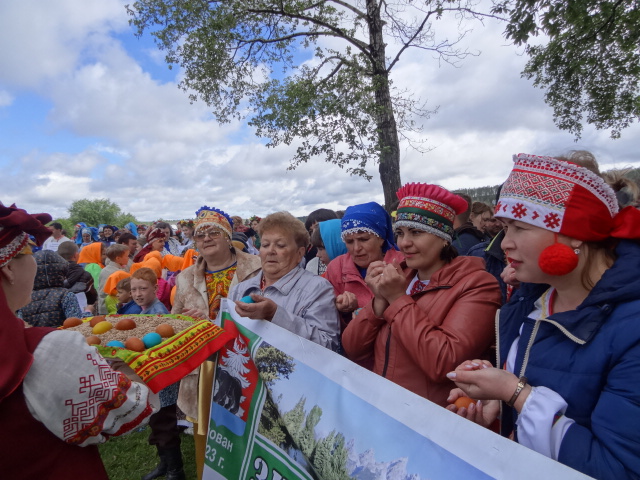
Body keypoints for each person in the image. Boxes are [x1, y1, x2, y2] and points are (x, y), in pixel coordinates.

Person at [447, 152, 640, 479]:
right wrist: (498, 402)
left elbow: (619, 469)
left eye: (520, 227)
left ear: (576, 232)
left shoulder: (632, 328)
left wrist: (514, 393)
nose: (504, 243)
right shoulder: (535, 301)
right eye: (504, 228)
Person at [0, 203, 158, 479]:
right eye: (30, 251)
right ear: (9, 269)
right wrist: (136, 370)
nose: (35, 261)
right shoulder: (47, 352)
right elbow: (125, 411)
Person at [341, 184, 501, 407]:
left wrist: (397, 299)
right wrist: (379, 302)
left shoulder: (477, 285)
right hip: (382, 407)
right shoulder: (401, 277)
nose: (404, 243)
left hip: (430, 416)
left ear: (444, 237)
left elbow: (443, 364)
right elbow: (352, 348)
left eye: (416, 232)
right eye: (400, 233)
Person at [170, 206, 261, 479]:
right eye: (200, 235)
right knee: (207, 432)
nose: (206, 238)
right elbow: (174, 321)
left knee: (246, 431)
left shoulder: (256, 268)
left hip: (245, 364)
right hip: (204, 368)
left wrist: (218, 319)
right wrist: (187, 322)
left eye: (213, 232)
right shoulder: (185, 277)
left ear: (227, 236)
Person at [230, 211, 341, 349]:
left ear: (299, 253)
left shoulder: (318, 288)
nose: (270, 251)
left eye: (280, 245)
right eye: (265, 245)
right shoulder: (240, 289)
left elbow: (328, 344)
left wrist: (275, 315)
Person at [324, 202, 404, 329]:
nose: (356, 248)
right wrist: (342, 311)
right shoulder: (336, 268)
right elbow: (327, 321)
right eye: (349, 241)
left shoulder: (402, 264)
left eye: (363, 239)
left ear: (381, 238)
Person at [20, 250, 93, 327]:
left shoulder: (24, 298)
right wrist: (88, 311)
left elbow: (22, 325)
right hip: (60, 334)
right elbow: (76, 324)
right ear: (60, 270)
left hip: (34, 335)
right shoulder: (65, 295)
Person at [57, 241, 98, 307]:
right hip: (81, 310)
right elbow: (92, 299)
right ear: (75, 256)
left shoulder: (52, 275)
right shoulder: (85, 276)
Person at [97, 244, 130, 314]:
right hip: (109, 308)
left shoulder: (119, 269)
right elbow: (105, 292)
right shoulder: (112, 272)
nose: (128, 258)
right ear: (118, 259)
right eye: (127, 256)